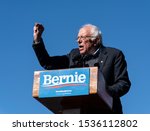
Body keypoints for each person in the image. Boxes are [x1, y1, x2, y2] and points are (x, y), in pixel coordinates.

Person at [32, 23, 131, 114]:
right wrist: (37, 40)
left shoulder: (114, 55)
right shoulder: (74, 55)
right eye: (78, 38)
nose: (78, 40)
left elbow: (123, 83)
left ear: (96, 40)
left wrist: (103, 91)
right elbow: (48, 63)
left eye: (83, 37)